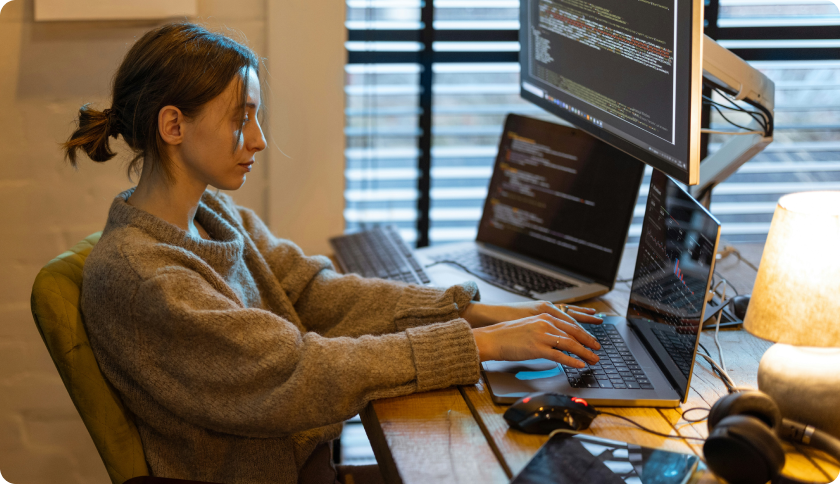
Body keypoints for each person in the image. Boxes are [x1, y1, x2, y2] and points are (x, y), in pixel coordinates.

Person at [62, 22, 602, 484]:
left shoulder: (213, 215)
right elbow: (297, 372)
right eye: (241, 118)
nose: (259, 139)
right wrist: (478, 345)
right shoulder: (145, 279)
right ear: (174, 125)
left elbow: (315, 293)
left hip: (306, 461)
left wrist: (478, 312)